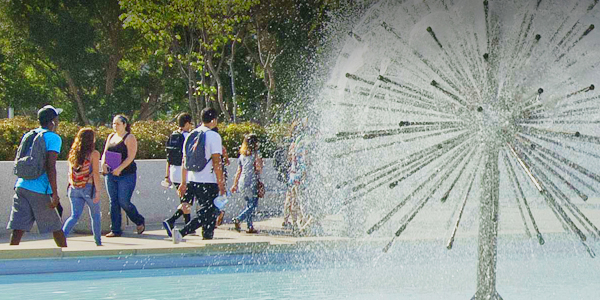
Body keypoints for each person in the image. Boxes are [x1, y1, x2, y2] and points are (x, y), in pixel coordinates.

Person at [7, 105, 67, 247]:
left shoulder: (29, 134)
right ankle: (66, 259)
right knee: (55, 226)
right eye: (57, 119)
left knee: (18, 227)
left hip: (21, 185)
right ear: (52, 121)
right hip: (39, 189)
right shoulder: (53, 138)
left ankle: (8, 260)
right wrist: (55, 193)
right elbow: (50, 166)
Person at [165, 107, 227, 243]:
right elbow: (217, 162)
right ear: (214, 120)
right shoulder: (214, 136)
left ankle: (208, 237)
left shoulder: (191, 134)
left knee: (209, 213)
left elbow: (184, 160)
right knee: (209, 212)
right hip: (208, 181)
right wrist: (221, 184)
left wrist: (183, 182)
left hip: (192, 179)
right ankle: (182, 232)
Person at [101, 115, 145, 237]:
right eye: (114, 124)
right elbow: (105, 153)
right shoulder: (111, 136)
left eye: (118, 124)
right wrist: (103, 164)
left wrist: (120, 168)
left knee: (124, 201)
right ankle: (115, 229)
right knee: (113, 201)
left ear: (125, 124)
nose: (115, 126)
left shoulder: (129, 137)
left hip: (126, 174)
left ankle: (138, 220)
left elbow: (131, 157)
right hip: (111, 174)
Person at [62, 128, 102, 246]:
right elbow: (95, 173)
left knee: (74, 216)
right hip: (88, 188)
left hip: (74, 188)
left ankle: (62, 237)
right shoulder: (94, 154)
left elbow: (70, 172)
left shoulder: (73, 153)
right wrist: (98, 191)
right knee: (95, 215)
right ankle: (98, 241)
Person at [162, 113, 194, 234]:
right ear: (186, 124)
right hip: (184, 173)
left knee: (184, 200)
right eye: (190, 123)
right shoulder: (188, 137)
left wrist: (167, 175)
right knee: (187, 202)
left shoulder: (173, 136)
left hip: (173, 173)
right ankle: (170, 221)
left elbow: (168, 158)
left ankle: (188, 226)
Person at [231, 134, 263, 233]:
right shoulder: (256, 154)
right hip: (252, 182)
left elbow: (238, 171)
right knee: (253, 206)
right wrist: (261, 162)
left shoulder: (242, 155)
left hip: (242, 182)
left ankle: (250, 227)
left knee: (248, 204)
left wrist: (235, 184)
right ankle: (238, 219)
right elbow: (258, 167)